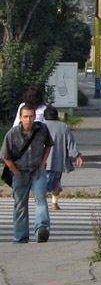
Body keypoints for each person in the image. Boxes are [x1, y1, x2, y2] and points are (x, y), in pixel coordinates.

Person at [2, 104, 54, 243]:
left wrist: (43, 163)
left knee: (41, 200)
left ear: (35, 117)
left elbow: (49, 144)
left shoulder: (41, 129)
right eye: (25, 117)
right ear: (20, 118)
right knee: (20, 205)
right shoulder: (13, 134)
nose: (28, 120)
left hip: (37, 171)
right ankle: (20, 237)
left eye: (31, 116)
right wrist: (15, 171)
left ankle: (41, 229)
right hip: (20, 172)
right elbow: (5, 155)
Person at [42, 105, 83, 210]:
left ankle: (42, 202)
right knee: (56, 181)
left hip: (43, 161)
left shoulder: (41, 126)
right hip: (58, 160)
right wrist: (77, 156)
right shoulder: (63, 127)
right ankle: (54, 203)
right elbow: (70, 143)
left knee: (42, 182)